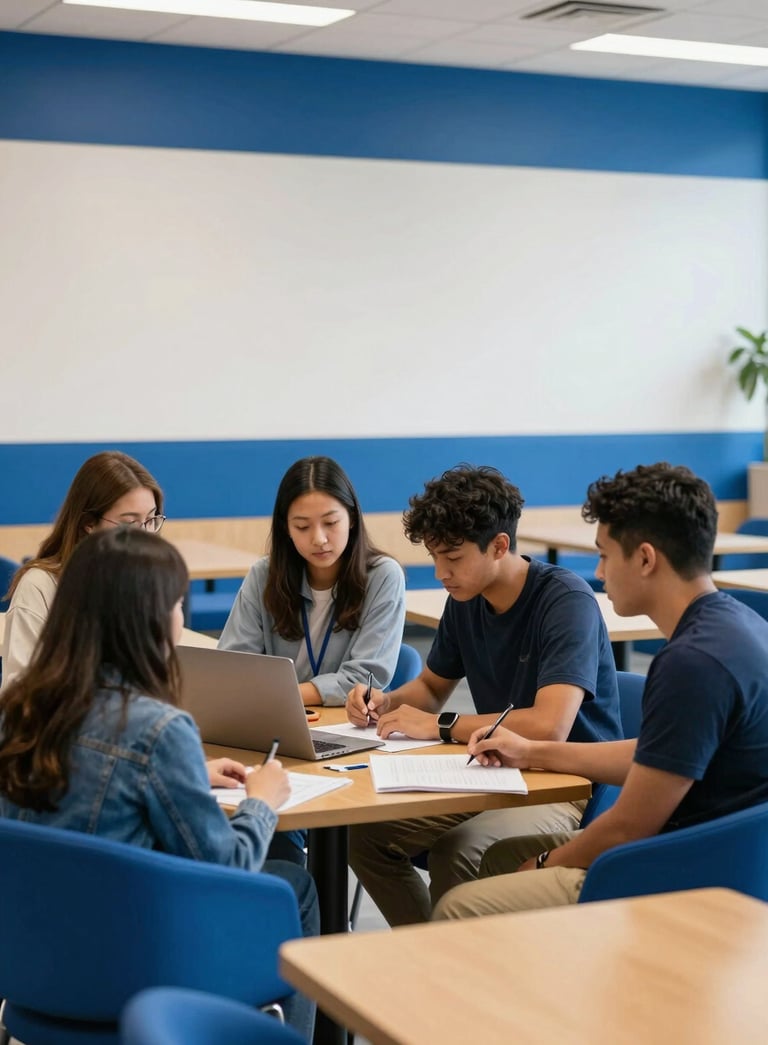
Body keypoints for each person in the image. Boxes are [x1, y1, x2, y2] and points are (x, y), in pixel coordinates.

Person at [0, 528, 319, 1040]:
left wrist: (188, 774)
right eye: (176, 603)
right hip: (139, 969)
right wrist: (261, 802)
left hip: (34, 967)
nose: (182, 618)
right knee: (294, 885)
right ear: (148, 620)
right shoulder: (159, 730)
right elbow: (228, 867)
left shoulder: (18, 712)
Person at [433, 462, 768, 921]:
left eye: (606, 555)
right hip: (735, 863)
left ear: (646, 558)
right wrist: (532, 751)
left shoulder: (691, 662)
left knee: (460, 907)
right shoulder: (738, 626)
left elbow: (629, 826)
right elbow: (654, 756)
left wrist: (549, 862)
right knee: (492, 863)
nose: (599, 571)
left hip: (687, 873)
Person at [346, 464, 621, 926]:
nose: (440, 573)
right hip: (491, 770)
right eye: (434, 557)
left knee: (460, 851)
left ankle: (452, 972)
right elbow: (433, 687)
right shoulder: (465, 600)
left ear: (499, 546)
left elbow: (548, 725)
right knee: (363, 835)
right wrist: (385, 702)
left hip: (563, 782)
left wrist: (440, 726)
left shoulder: (565, 602)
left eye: (452, 558)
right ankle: (425, 953)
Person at [219, 455, 406, 706]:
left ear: (351, 518)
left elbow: (363, 680)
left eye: (330, 523)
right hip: (274, 718)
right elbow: (233, 665)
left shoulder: (383, 577)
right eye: (302, 527)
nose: (319, 538)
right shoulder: (264, 574)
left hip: (347, 724)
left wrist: (278, 695)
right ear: (286, 527)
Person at [2, 450, 165, 689]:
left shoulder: (148, 583)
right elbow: (18, 695)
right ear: (89, 524)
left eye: (151, 520)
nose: (145, 535)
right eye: (130, 523)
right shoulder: (41, 586)